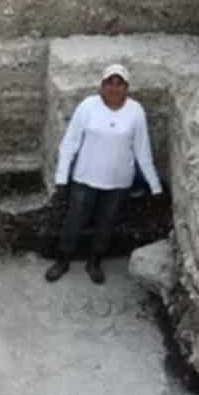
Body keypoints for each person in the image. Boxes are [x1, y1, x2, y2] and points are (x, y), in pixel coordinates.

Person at [48, 63, 162, 284]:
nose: (114, 88)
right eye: (110, 82)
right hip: (85, 178)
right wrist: (62, 179)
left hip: (118, 182)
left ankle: (95, 262)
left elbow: (143, 151)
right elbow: (69, 143)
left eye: (120, 84)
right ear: (102, 85)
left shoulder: (135, 111)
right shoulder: (88, 106)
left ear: (126, 88)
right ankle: (62, 260)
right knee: (74, 220)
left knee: (106, 223)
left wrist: (155, 186)